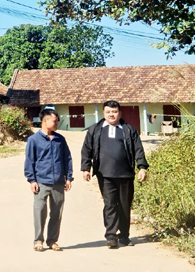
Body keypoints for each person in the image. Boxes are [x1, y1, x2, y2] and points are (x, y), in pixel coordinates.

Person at [81, 100, 149, 249]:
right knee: (110, 204)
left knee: (125, 206)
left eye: (114, 111)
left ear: (120, 113)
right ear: (104, 113)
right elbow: (87, 149)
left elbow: (139, 150)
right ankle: (111, 235)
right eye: (108, 112)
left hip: (126, 174)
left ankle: (124, 236)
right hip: (104, 174)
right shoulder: (95, 130)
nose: (111, 114)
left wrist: (142, 167)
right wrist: (86, 167)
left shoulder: (129, 130)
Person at [24, 107, 73, 252]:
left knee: (56, 213)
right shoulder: (33, 140)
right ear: (45, 121)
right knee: (39, 211)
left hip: (58, 182)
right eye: (54, 120)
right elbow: (29, 161)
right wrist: (32, 180)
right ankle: (38, 240)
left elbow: (67, 159)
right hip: (41, 182)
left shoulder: (60, 139)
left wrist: (69, 177)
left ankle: (52, 240)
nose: (57, 122)